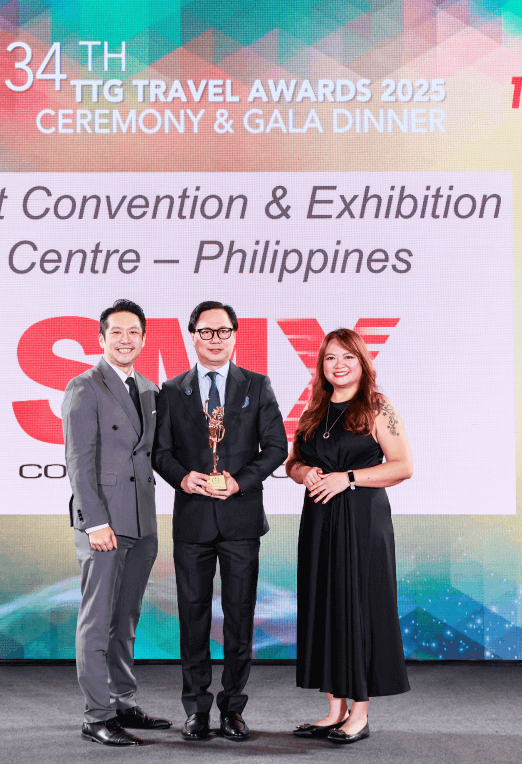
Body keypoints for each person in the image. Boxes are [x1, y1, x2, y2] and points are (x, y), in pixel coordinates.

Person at [153, 301, 288, 742]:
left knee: (239, 616)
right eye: (206, 331)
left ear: (235, 335)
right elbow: (160, 453)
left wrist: (239, 481)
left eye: (223, 331)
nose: (215, 339)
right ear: (192, 335)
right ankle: (196, 709)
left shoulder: (257, 385)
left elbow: (276, 448)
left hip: (240, 520)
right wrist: (183, 477)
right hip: (192, 521)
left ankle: (233, 708)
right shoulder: (171, 389)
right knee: (192, 616)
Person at [284, 328, 413, 744]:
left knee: (359, 609)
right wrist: (304, 472)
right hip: (319, 522)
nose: (338, 365)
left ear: (362, 362)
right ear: (321, 365)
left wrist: (349, 478)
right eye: (330, 358)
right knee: (324, 607)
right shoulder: (314, 408)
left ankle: (359, 713)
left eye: (347, 357)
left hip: (362, 523)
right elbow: (292, 463)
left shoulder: (377, 406)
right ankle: (334, 711)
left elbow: (403, 466)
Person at [62, 299, 171, 746]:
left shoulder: (148, 389)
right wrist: (94, 523)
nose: (126, 340)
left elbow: (154, 455)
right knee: (97, 621)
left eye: (134, 332)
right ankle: (97, 715)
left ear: (143, 339)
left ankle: (123, 701)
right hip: (105, 523)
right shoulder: (84, 386)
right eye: (117, 332)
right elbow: (78, 461)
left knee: (126, 618)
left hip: (143, 523)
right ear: (101, 338)